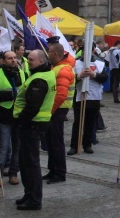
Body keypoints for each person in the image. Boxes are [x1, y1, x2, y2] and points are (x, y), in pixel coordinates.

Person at [12, 49, 56, 211]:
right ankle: (28, 194)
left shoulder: (39, 79)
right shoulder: (42, 74)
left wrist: (21, 121)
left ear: (40, 61)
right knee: (26, 162)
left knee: (30, 164)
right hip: (34, 123)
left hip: (32, 124)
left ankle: (34, 199)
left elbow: (32, 106)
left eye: (31, 60)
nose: (28, 62)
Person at [0, 50, 25, 187]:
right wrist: (9, 95)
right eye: (9, 58)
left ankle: (13, 173)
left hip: (18, 115)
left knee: (17, 147)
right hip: (3, 115)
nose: (13, 60)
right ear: (4, 61)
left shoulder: (22, 73)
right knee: (3, 147)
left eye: (14, 58)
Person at [44, 38, 75, 184]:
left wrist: (50, 110)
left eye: (49, 51)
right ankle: (53, 170)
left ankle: (59, 173)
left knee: (56, 142)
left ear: (56, 53)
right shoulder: (57, 66)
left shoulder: (63, 69)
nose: (47, 53)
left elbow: (61, 95)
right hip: (56, 109)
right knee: (52, 141)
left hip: (58, 109)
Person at [67, 44, 107, 155]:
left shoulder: (99, 64)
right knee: (78, 122)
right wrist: (79, 76)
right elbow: (70, 79)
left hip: (94, 97)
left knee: (90, 122)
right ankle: (74, 146)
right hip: (80, 96)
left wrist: (94, 74)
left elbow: (104, 78)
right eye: (84, 52)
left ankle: (87, 144)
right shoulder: (75, 63)